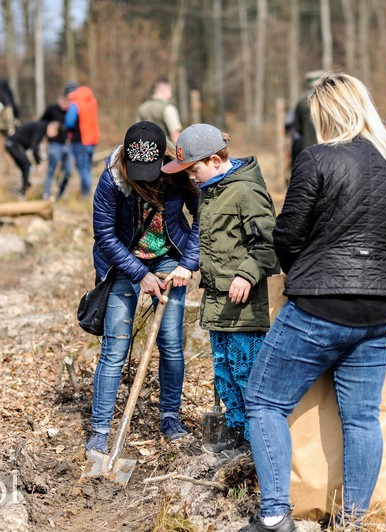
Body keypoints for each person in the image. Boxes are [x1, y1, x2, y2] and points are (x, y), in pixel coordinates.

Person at [242, 73, 386, 532]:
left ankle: (273, 516)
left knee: (264, 401)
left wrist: (312, 266)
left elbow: (288, 235)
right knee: (363, 418)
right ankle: (351, 523)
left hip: (319, 308)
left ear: (325, 114)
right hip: (382, 310)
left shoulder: (316, 159)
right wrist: (377, 266)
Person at [162, 124, 278, 457]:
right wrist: (188, 264)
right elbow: (206, 237)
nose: (191, 178)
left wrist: (247, 274)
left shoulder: (246, 191)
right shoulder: (211, 190)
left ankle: (257, 441)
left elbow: (268, 242)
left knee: (246, 371)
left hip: (243, 304)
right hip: (216, 299)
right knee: (224, 369)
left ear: (215, 159)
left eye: (193, 169)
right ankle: (236, 429)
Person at [84, 121, 200, 454]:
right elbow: (105, 236)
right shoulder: (112, 179)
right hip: (124, 263)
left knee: (171, 342)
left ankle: (170, 417)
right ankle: (101, 430)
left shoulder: (177, 175)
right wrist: (139, 274)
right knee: (114, 348)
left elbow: (201, 215)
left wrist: (187, 264)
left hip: (168, 259)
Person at [63, 81, 100, 198]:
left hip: (80, 141)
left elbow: (69, 122)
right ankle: (88, 193)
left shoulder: (75, 103)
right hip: (92, 140)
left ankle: (86, 195)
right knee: (88, 168)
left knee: (83, 169)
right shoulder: (91, 100)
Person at [5, 120, 57, 199]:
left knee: (25, 167)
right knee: (27, 166)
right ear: (52, 128)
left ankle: (24, 189)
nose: (52, 136)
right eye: (54, 134)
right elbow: (34, 146)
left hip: (13, 144)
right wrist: (38, 162)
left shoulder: (40, 126)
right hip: (13, 144)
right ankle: (23, 191)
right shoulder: (42, 128)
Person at [288, 70, 325, 167]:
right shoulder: (327, 100)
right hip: (326, 147)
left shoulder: (301, 101)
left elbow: (296, 126)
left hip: (307, 148)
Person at [39, 96, 72, 200]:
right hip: (55, 144)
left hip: (69, 145)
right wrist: (48, 130)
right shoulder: (51, 109)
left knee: (68, 171)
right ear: (59, 100)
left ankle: (59, 194)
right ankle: (46, 193)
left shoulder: (71, 111)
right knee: (51, 170)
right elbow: (41, 123)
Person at [136, 78, 183, 144]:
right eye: (170, 91)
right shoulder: (168, 108)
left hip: (146, 151)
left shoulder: (142, 108)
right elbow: (175, 135)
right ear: (165, 90)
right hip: (166, 151)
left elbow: (137, 132)